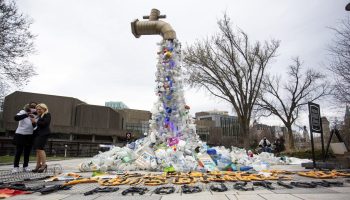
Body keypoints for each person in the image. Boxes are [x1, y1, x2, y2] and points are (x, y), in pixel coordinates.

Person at [12, 102, 37, 173]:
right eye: (31, 106)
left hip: (29, 135)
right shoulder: (22, 112)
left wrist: (33, 122)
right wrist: (27, 114)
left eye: (34, 107)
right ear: (28, 107)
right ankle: (15, 167)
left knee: (27, 152)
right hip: (20, 134)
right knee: (19, 151)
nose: (33, 108)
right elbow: (16, 118)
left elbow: (36, 126)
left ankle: (25, 166)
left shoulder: (36, 115)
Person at [32, 103, 51, 173]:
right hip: (38, 134)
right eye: (37, 109)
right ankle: (38, 165)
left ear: (44, 109)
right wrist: (33, 122)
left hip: (44, 134)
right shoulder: (38, 116)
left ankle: (44, 164)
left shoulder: (47, 114)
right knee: (37, 150)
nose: (38, 110)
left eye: (40, 109)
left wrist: (36, 121)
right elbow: (36, 126)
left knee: (40, 149)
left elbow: (45, 123)